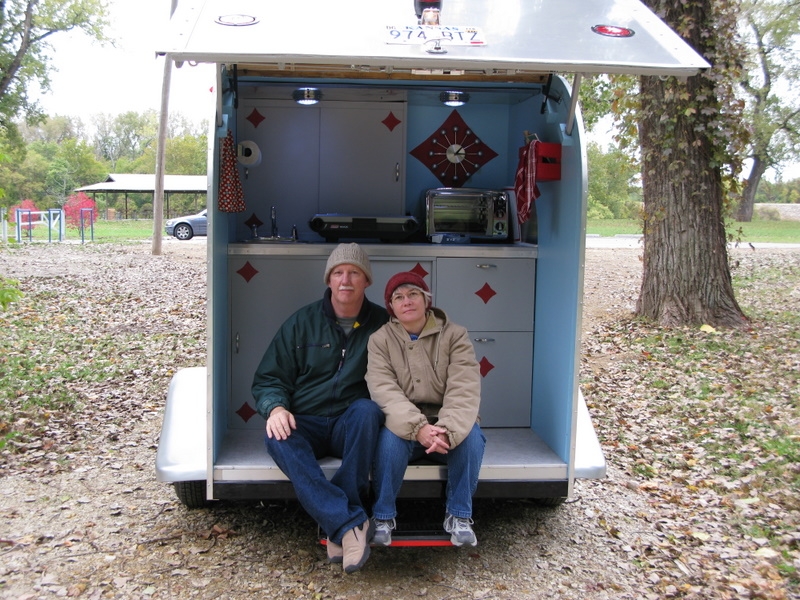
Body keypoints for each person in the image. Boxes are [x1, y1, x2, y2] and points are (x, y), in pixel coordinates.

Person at [251, 243, 389, 574]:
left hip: (348, 422)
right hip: (306, 421)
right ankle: (349, 524)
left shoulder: (383, 324)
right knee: (277, 437)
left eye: (354, 273)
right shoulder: (302, 322)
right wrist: (276, 408)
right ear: (328, 279)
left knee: (368, 412)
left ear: (366, 281)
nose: (346, 280)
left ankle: (340, 521)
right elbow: (269, 378)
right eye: (339, 273)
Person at [366, 271, 486, 547]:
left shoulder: (455, 335)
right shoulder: (380, 340)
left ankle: (459, 516)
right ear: (391, 307)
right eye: (399, 297)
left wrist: (447, 430)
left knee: (472, 438)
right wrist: (418, 427)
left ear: (426, 300)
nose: (406, 301)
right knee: (388, 442)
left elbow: (464, 388)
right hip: (405, 422)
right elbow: (384, 390)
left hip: (449, 421)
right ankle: (383, 518)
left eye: (413, 294)